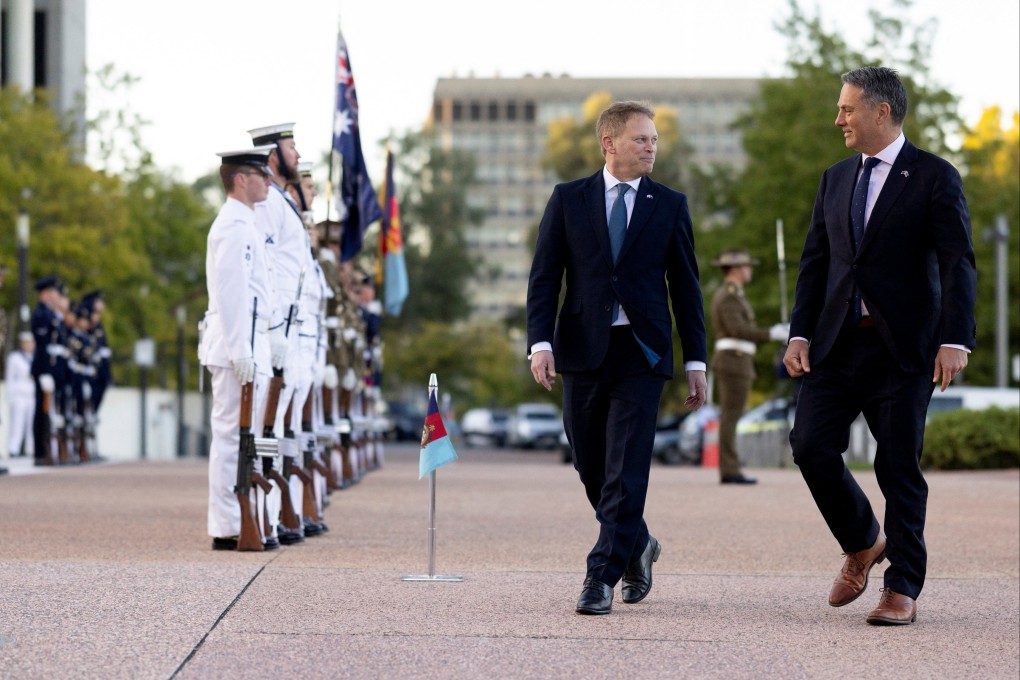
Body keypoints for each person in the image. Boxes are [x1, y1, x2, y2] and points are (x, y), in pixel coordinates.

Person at [783, 67, 977, 626]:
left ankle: (902, 588)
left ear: (881, 112)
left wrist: (954, 338)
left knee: (898, 468)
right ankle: (864, 539)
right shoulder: (835, 177)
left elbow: (957, 263)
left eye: (847, 109)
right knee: (810, 445)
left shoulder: (936, 176)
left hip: (904, 350)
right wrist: (799, 331)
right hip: (835, 345)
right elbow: (816, 262)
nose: (837, 118)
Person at [527, 101, 708, 615]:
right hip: (581, 350)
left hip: (642, 352)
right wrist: (540, 344)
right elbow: (544, 279)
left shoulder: (669, 204)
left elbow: (687, 289)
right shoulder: (568, 199)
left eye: (653, 139)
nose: (652, 147)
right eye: (641, 139)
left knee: (626, 468)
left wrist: (696, 359)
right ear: (609, 143)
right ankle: (639, 544)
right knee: (591, 466)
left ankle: (601, 574)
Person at [199, 145, 283, 551]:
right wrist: (240, 350)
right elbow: (233, 295)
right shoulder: (232, 225)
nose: (268, 180)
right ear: (239, 179)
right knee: (232, 436)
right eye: (260, 174)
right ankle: (228, 524)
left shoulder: (246, 222)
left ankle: (242, 519)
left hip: (253, 341)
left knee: (244, 437)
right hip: (238, 343)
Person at [249, 122, 322, 541]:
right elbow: (269, 268)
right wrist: (275, 326)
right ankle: (264, 517)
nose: (296, 154)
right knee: (267, 428)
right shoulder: (272, 203)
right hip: (279, 328)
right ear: (273, 154)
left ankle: (275, 514)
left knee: (282, 427)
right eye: (291, 147)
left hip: (293, 331)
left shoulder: (281, 203)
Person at [709, 249, 790, 485]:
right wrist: (771, 333)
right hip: (733, 360)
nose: (750, 270)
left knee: (731, 416)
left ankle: (730, 467)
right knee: (730, 417)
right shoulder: (729, 296)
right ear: (735, 269)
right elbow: (738, 330)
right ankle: (729, 469)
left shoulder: (735, 294)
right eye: (747, 266)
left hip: (737, 359)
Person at [30, 275, 64, 466]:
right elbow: (43, 347)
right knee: (41, 412)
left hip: (51, 369)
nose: (55, 296)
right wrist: (45, 372)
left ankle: (46, 451)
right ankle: (40, 452)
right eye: (52, 292)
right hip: (44, 369)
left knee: (47, 412)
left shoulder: (51, 313)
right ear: (45, 293)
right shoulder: (41, 314)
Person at [6, 333, 36, 462]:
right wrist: (10, 395)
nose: (29, 345)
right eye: (27, 342)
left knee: (31, 424)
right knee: (17, 423)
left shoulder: (35, 357)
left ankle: (31, 448)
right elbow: (10, 377)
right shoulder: (15, 358)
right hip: (19, 394)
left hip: (31, 394)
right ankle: (14, 449)